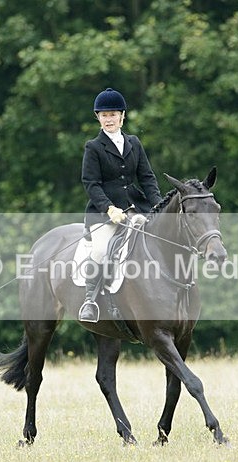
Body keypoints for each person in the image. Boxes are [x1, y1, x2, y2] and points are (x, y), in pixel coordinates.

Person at [78, 88, 163, 322]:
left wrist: (158, 205)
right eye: (104, 115)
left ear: (122, 116)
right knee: (100, 249)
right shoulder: (93, 147)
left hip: (137, 207)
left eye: (113, 114)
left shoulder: (134, 143)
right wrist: (109, 208)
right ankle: (90, 300)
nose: (109, 120)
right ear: (98, 118)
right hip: (105, 213)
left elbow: (147, 177)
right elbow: (91, 183)